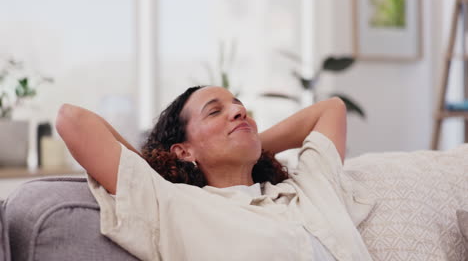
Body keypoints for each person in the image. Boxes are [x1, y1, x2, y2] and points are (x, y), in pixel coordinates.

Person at [55, 86, 375, 261]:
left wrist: (248, 140)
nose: (239, 111)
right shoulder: (172, 205)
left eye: (240, 108)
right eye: (215, 111)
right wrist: (155, 168)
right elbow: (73, 120)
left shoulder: (308, 189)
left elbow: (331, 109)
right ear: (183, 151)